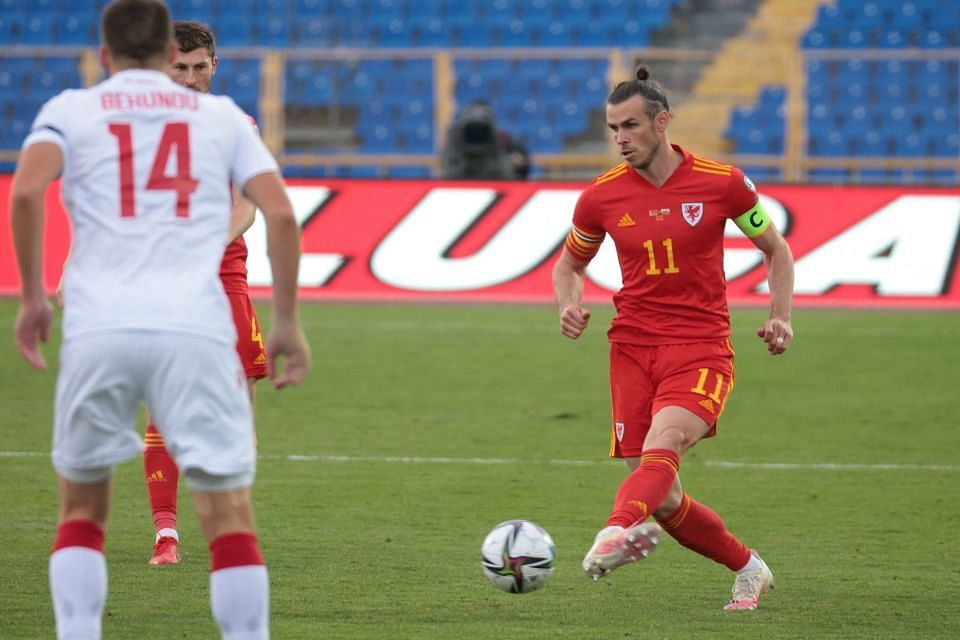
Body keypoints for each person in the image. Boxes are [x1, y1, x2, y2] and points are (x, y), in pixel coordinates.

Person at [10, 1, 310, 638]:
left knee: (82, 509)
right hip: (191, 318)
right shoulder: (224, 119)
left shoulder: (71, 109)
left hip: (100, 320)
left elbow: (28, 192)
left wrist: (34, 293)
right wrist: (286, 318)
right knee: (229, 511)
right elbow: (280, 215)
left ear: (105, 56)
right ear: (164, 57)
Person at [552, 64, 794, 611]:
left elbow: (776, 249)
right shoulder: (600, 197)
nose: (620, 139)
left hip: (700, 346)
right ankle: (748, 568)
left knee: (664, 447)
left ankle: (612, 532)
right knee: (661, 498)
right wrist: (568, 303)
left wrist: (781, 316)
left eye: (631, 126)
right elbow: (568, 265)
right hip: (632, 350)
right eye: (613, 128)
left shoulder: (722, 182)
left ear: (662, 122)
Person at [143, 19, 265, 567]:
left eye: (199, 67)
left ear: (214, 65)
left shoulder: (237, 126)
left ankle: (230, 525)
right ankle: (166, 534)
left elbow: (248, 205)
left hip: (223, 278)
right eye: (179, 67)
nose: (190, 79)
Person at [440, 99, 522, 180]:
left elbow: (505, 169)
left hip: (490, 172)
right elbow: (448, 165)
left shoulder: (502, 137)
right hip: (460, 172)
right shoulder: (455, 134)